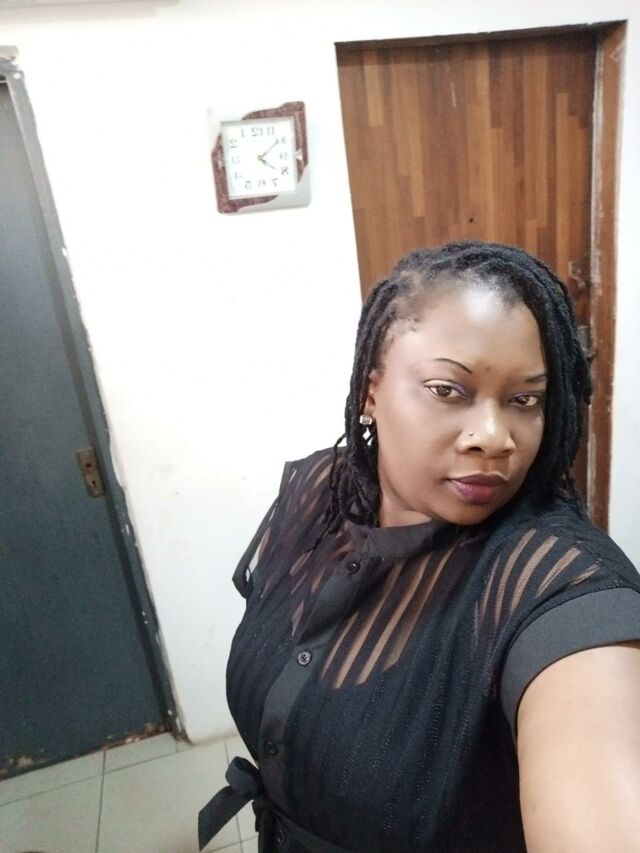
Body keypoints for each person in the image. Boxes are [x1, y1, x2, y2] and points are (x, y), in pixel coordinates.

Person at [199, 242, 640, 852]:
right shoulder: (317, 491)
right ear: (371, 391)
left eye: (524, 400)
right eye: (447, 390)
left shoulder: (557, 585)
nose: (494, 438)